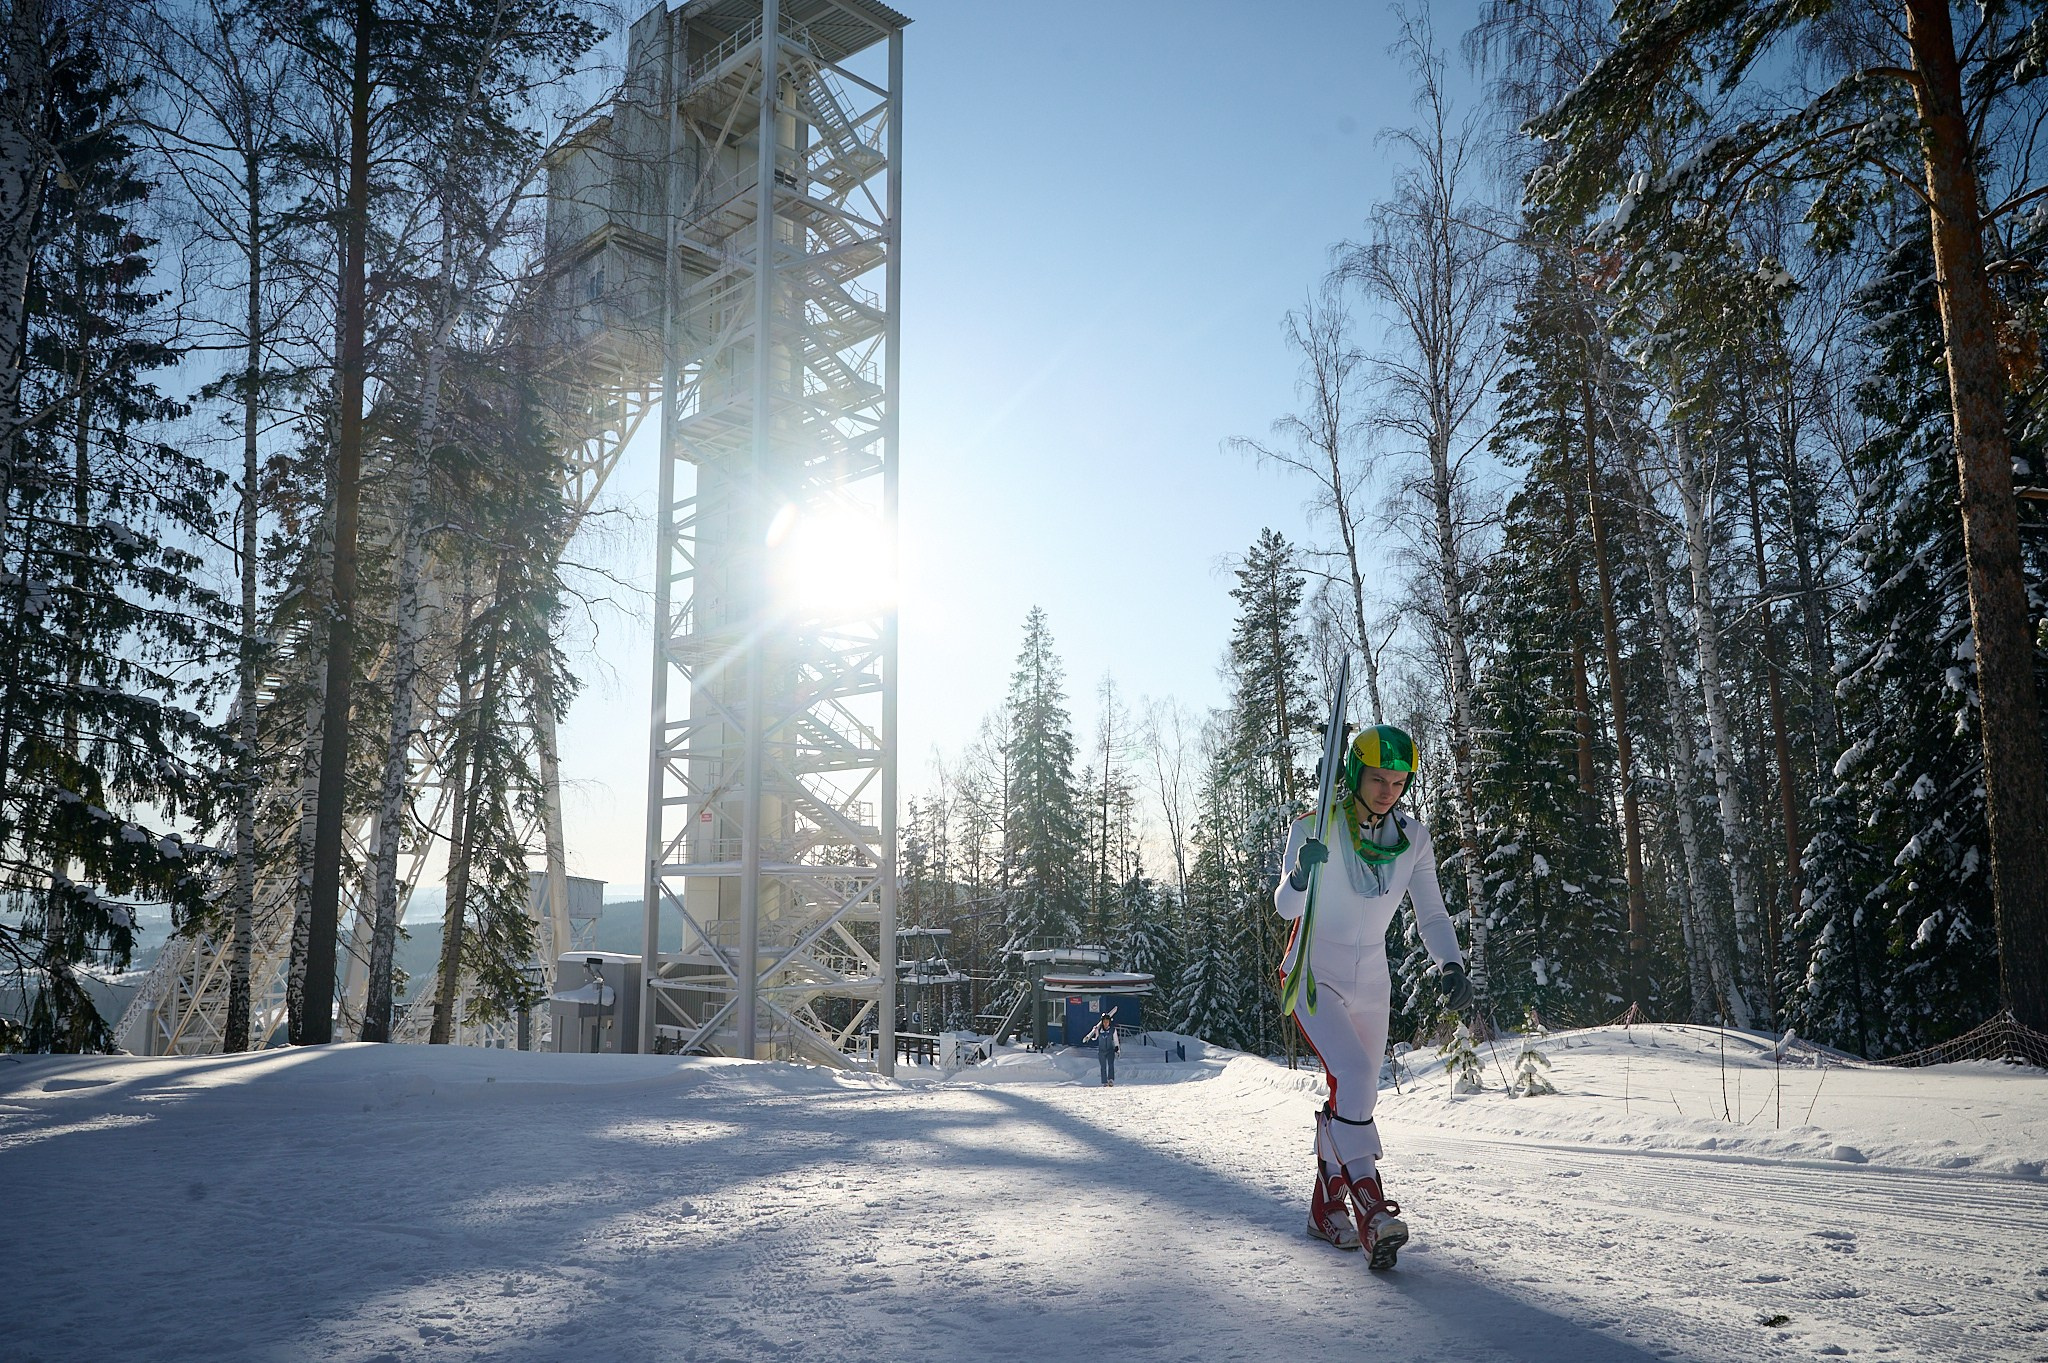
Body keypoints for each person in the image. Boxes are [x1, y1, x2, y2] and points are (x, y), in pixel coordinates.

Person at [1275, 723, 1472, 1270]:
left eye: (1399, 779)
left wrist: (1450, 961)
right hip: (1314, 975)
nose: (1389, 789)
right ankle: (1371, 1210)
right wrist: (1299, 873)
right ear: (1355, 774)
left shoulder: (1415, 839)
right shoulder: (1315, 827)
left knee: (1356, 1097)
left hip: (1372, 981)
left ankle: (1324, 1210)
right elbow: (1286, 909)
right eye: (1379, 778)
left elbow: (1430, 913)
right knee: (1357, 1080)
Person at [1091, 1006, 1120, 1086]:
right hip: (1102, 1051)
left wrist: (1117, 1049)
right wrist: (1095, 1030)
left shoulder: (1112, 1030)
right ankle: (1104, 1082)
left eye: (1107, 1021)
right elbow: (1095, 1037)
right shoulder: (1099, 1030)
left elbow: (1116, 1040)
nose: (1106, 1023)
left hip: (1110, 1050)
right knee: (1103, 1067)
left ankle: (1110, 1079)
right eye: (1104, 1021)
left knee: (1111, 1065)